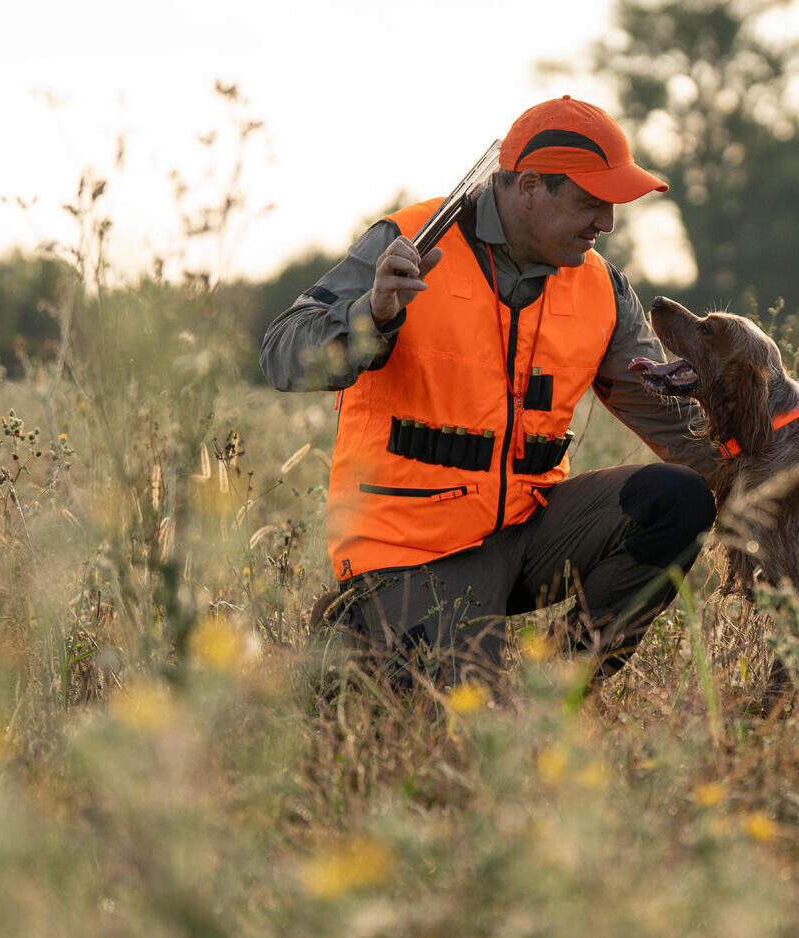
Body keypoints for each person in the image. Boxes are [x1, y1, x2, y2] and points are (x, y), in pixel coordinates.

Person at [261, 96, 722, 686]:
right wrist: (369, 315)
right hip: (410, 552)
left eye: (612, 206)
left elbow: (676, 424)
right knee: (463, 732)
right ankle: (359, 633)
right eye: (591, 202)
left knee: (677, 500)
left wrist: (798, 472)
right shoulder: (405, 242)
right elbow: (281, 355)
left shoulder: (602, 287)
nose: (606, 224)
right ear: (530, 186)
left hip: (527, 535)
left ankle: (557, 688)